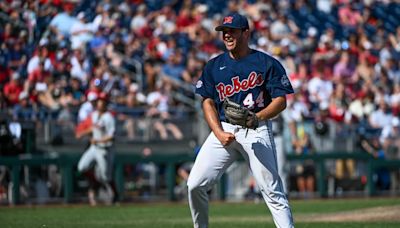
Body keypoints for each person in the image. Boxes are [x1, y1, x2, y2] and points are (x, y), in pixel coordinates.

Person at [188, 13, 294, 228]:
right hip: (225, 127)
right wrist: (218, 132)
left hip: (256, 129)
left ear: (246, 33)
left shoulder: (266, 63)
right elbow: (207, 102)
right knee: (194, 185)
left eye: (232, 31)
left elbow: (280, 101)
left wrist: (258, 117)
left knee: (271, 190)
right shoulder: (214, 66)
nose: (227, 35)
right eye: (224, 32)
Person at [76, 93, 117, 205]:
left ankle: (115, 195)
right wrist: (82, 133)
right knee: (82, 167)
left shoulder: (109, 117)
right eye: (99, 101)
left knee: (105, 176)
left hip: (105, 149)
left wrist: (98, 140)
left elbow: (111, 137)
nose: (100, 103)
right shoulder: (94, 115)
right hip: (94, 148)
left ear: (106, 103)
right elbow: (93, 128)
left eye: (102, 101)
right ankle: (95, 184)